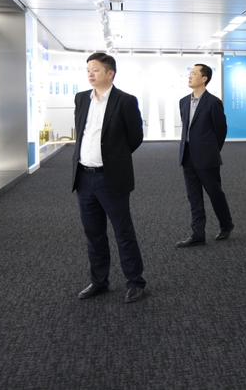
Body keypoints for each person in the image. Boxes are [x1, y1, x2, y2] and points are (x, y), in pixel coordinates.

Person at [71, 52, 147, 303]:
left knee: (123, 232)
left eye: (95, 70)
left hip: (110, 178)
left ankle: (135, 282)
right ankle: (99, 281)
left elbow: (135, 137)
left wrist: (115, 158)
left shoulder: (125, 101)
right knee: (93, 233)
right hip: (84, 177)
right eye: (88, 70)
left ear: (110, 73)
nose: (90, 74)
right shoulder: (81, 98)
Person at [176, 64, 235, 247]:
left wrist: (212, 151)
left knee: (214, 193)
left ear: (204, 79)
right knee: (193, 197)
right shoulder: (183, 101)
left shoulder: (213, 102)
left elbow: (221, 130)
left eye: (193, 73)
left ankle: (226, 225)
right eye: (190, 73)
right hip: (187, 156)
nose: (190, 76)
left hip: (206, 157)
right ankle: (198, 234)